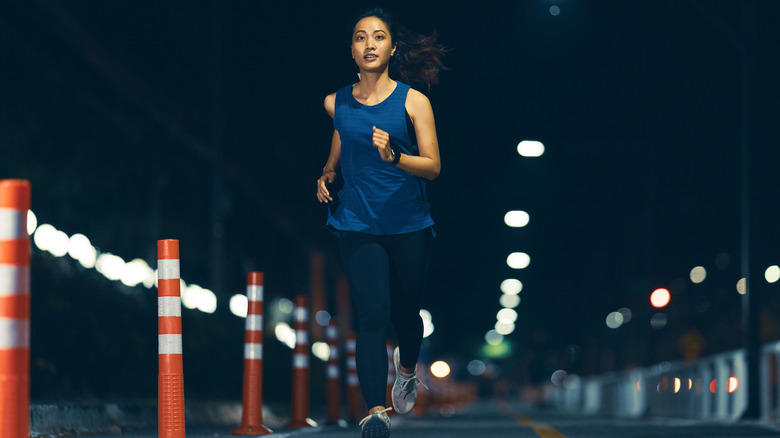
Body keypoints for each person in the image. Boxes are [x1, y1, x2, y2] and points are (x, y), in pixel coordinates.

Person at [315, 7, 446, 438]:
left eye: (378, 37)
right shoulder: (336, 101)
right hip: (357, 221)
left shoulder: (413, 101)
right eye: (360, 37)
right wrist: (329, 170)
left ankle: (405, 369)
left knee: (407, 316)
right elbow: (343, 132)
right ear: (351, 50)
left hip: (409, 223)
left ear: (392, 47)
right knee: (372, 315)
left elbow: (432, 167)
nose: (369, 44)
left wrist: (395, 156)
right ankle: (375, 411)